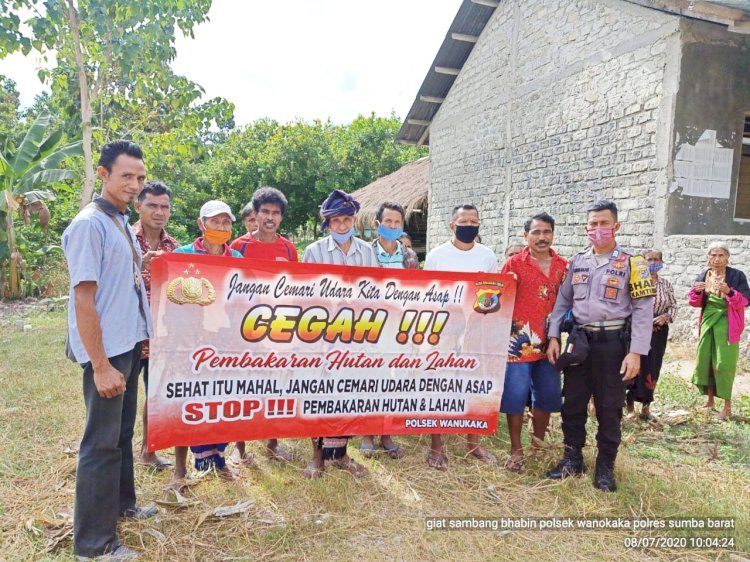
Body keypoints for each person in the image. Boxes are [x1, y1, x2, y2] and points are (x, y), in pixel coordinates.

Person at [62, 140, 156, 560]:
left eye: (139, 177)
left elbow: (120, 280)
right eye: (126, 177)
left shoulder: (117, 221)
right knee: (100, 443)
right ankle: (94, 544)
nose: (134, 185)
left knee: (120, 434)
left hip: (128, 342)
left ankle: (123, 505)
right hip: (108, 350)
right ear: (103, 174)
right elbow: (84, 298)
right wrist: (100, 366)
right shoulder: (89, 225)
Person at [546, 200, 654, 492]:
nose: (598, 229)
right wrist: (554, 335)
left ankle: (605, 466)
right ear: (586, 228)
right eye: (593, 224)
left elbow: (644, 310)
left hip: (614, 345)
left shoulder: (634, 263)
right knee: (573, 402)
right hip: (580, 342)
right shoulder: (577, 262)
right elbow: (562, 303)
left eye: (603, 223)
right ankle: (572, 458)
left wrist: (636, 353)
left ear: (616, 226)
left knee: (608, 406)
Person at [301, 189, 378, 478]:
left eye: (347, 220)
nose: (342, 226)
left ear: (354, 221)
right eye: (336, 222)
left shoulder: (367, 252)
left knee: (348, 394)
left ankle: (342, 454)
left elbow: (374, 292)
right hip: (323, 336)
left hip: (357, 336)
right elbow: (306, 295)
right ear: (328, 224)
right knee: (321, 395)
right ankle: (317, 456)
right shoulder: (314, 251)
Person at [172, 200, 243, 484]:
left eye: (226, 222)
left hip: (226, 343)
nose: (222, 227)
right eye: (215, 221)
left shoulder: (238, 258)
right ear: (202, 224)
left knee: (221, 400)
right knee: (186, 403)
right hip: (190, 343)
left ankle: (219, 458)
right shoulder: (181, 256)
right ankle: (180, 468)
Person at [423, 204, 499, 470]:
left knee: (474, 384)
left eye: (474, 221)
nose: (469, 225)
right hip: (444, 328)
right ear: (452, 225)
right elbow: (427, 294)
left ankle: (473, 443)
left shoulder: (487, 256)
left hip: (476, 328)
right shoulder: (436, 255)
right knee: (439, 385)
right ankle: (436, 445)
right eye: (463, 220)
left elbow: (493, 293)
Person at [230, 187, 297, 464]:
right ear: (254, 215)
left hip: (279, 328)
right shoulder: (238, 247)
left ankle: (272, 444)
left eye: (275, 213)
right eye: (265, 212)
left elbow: (297, 288)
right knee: (243, 387)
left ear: (281, 218)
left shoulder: (288, 248)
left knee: (274, 387)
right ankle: (240, 448)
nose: (270, 218)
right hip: (243, 330)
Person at [499, 212, 568, 472]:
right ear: (525, 235)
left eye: (546, 232)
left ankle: (538, 445)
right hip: (518, 342)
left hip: (550, 342)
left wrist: (556, 337)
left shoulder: (564, 266)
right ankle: (516, 450)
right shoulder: (514, 265)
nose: (541, 237)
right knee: (515, 396)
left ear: (553, 234)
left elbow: (568, 305)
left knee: (548, 395)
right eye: (536, 232)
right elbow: (498, 301)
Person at [132, 180, 179, 470]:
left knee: (156, 394)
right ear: (139, 206)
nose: (159, 212)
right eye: (152, 205)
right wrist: (140, 266)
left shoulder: (174, 247)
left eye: (164, 207)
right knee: (120, 398)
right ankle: (116, 452)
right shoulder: (125, 238)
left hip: (160, 336)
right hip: (127, 331)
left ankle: (148, 451)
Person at [360, 201, 411, 460]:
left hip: (399, 329)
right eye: (388, 222)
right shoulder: (364, 253)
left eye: (397, 222)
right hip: (370, 327)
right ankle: (368, 433)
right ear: (377, 225)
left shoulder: (409, 257)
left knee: (394, 381)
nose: (392, 226)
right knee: (371, 380)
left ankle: (387, 433)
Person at [689, 241, 750, 420]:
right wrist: (697, 292)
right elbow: (693, 302)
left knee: (724, 363)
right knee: (706, 360)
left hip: (728, 322)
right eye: (713, 255)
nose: (717, 259)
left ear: (727, 257)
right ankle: (710, 401)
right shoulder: (703, 275)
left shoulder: (737, 276)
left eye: (721, 255)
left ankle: (727, 405)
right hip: (708, 322)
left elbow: (746, 301)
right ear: (708, 258)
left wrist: (729, 292)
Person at [626, 249, 677, 421]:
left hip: (658, 333)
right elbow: (627, 306)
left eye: (657, 259)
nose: (653, 263)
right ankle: (630, 405)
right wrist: (645, 321)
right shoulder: (634, 282)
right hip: (637, 330)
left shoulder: (666, 284)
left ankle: (646, 407)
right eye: (649, 259)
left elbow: (673, 306)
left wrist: (665, 317)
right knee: (636, 366)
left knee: (653, 367)